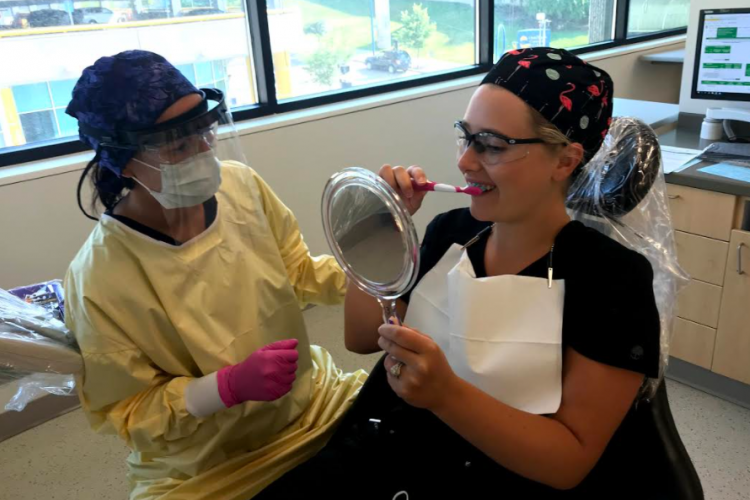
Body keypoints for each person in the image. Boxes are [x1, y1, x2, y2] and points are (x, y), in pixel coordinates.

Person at [256, 47, 661, 498]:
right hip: (391, 444)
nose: (466, 162)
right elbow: (363, 336)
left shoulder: (612, 278)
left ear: (564, 161)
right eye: (465, 137)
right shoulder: (451, 231)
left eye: (491, 145)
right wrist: (379, 228)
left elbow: (568, 461)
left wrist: (446, 395)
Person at [63, 50, 366, 500]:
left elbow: (298, 272)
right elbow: (129, 411)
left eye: (204, 132)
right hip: (205, 464)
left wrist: (380, 271)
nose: (205, 152)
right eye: (178, 145)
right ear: (125, 161)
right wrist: (224, 388)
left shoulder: (240, 186)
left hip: (312, 403)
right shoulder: (99, 277)